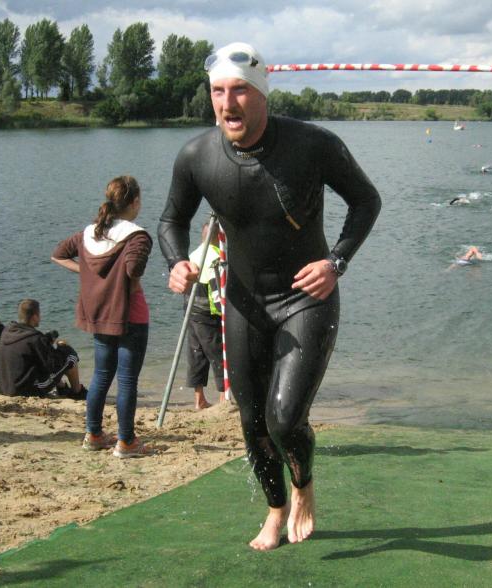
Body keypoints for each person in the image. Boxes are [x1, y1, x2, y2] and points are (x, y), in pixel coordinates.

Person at [158, 42, 381, 551]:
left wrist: (336, 263)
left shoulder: (313, 144)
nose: (227, 103)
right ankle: (275, 509)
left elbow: (366, 201)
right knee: (252, 420)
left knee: (285, 418)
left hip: (306, 296)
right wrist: (176, 263)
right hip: (244, 303)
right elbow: (171, 219)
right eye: (218, 92)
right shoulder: (196, 156)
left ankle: (303, 485)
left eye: (239, 90)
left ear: (262, 94)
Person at [52, 175, 154, 458]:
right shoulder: (137, 235)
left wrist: (86, 271)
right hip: (130, 314)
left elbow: (58, 254)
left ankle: (94, 434)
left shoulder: (89, 232)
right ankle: (126, 441)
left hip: (99, 313)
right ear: (135, 202)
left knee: (101, 375)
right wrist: (125, 280)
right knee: (127, 380)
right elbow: (133, 270)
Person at [0, 299, 86, 399]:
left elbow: (29, 349)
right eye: (39, 314)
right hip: (24, 390)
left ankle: (62, 387)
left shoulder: (7, 331)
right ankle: (77, 391)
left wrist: (46, 343)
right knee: (70, 356)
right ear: (35, 317)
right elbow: (51, 366)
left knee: (40, 361)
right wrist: (62, 347)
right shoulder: (35, 338)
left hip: (3, 386)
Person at [186, 223, 225, 409]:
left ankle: (199, 398)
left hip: (190, 311)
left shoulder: (193, 254)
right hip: (208, 314)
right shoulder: (217, 257)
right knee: (219, 354)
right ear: (219, 237)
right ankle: (224, 397)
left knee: (196, 354)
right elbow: (217, 291)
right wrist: (224, 313)